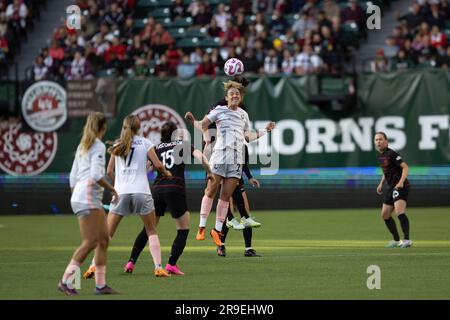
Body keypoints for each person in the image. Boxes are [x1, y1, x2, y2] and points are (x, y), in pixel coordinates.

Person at [185, 80, 275, 247]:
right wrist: (192, 120)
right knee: (211, 191)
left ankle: (217, 231)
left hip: (236, 161)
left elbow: (248, 137)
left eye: (237, 94)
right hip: (219, 157)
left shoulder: (243, 114)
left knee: (225, 196)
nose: (235, 95)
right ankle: (202, 227)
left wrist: (265, 131)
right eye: (232, 93)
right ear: (226, 98)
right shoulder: (219, 110)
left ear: (240, 98)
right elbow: (202, 125)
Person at [83, 115, 172, 279]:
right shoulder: (145, 143)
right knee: (151, 230)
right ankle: (158, 267)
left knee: (107, 234)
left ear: (124, 127)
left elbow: (109, 171)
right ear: (139, 128)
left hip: (121, 193)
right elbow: (158, 165)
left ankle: (92, 266)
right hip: (141, 192)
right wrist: (166, 173)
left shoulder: (118, 144)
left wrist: (118, 185)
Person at [123, 121, 215, 275]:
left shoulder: (156, 148)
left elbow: (145, 168)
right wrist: (210, 173)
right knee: (183, 229)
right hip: (175, 189)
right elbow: (201, 156)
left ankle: (131, 262)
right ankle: (171, 264)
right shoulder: (183, 145)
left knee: (149, 228)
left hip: (157, 190)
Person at [59, 112, 119, 296]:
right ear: (103, 127)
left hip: (81, 195)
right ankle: (67, 281)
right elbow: (95, 175)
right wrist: (112, 189)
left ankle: (100, 285)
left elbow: (72, 176)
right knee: (90, 242)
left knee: (103, 240)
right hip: (87, 197)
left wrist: (75, 197)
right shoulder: (98, 145)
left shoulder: (83, 145)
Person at [374, 132, 412, 248]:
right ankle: (397, 240)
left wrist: (401, 182)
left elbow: (405, 167)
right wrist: (381, 184)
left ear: (386, 141)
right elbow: (387, 172)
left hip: (401, 186)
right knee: (385, 214)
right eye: (376, 140)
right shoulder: (381, 156)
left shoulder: (392, 154)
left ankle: (407, 240)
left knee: (399, 211)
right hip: (391, 187)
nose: (378, 142)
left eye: (380, 139)